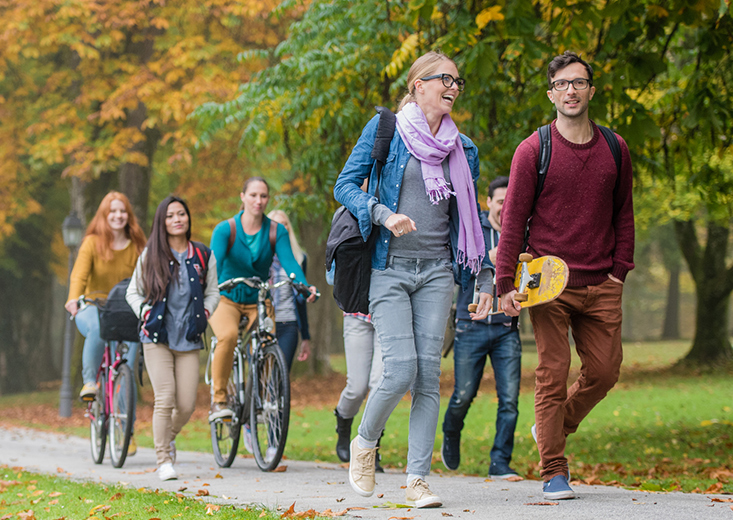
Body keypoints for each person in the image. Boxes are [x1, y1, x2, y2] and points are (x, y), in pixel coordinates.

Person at [334, 50, 493, 509]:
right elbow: (345, 184)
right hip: (388, 268)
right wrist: (381, 214)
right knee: (400, 368)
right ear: (419, 83)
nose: (454, 87)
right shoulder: (385, 129)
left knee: (427, 378)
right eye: (446, 78)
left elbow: (472, 218)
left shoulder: (464, 150)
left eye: (458, 81)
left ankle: (417, 479)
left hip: (438, 272)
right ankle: (365, 442)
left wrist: (483, 277)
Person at [496, 51, 635, 500]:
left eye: (579, 83)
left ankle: (551, 427)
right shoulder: (533, 150)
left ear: (591, 90)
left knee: (605, 371)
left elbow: (625, 216)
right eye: (562, 84)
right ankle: (553, 468)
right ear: (551, 93)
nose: (571, 91)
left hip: (602, 283)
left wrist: (618, 273)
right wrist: (503, 285)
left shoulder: (615, 148)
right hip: (548, 281)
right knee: (552, 373)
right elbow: (513, 222)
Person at [126, 195, 220, 481]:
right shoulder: (151, 255)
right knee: (164, 398)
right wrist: (144, 311)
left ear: (188, 218)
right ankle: (163, 459)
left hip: (189, 338)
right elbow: (133, 291)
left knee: (187, 405)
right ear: (162, 222)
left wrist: (205, 311)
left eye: (181, 214)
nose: (177, 219)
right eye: (170, 215)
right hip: (157, 337)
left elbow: (213, 292)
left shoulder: (203, 254)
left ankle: (167, 438)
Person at [208, 177, 317, 421]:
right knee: (228, 336)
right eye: (254, 195)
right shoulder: (226, 229)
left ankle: (262, 396)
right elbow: (213, 265)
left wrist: (304, 286)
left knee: (269, 340)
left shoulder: (276, 231)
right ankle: (219, 400)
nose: (259, 201)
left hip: (258, 298)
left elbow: (290, 263)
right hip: (226, 298)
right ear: (242, 197)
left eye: (264, 196)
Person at [441, 176, 523, 480]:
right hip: (470, 324)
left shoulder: (520, 234)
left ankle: (500, 462)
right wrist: (485, 260)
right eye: (500, 202)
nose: (505, 208)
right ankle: (451, 429)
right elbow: (453, 266)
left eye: (509, 202)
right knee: (463, 394)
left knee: (510, 400)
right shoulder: (472, 229)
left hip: (506, 328)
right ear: (489, 202)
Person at [65, 191, 146, 453]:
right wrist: (73, 299)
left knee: (127, 371)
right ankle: (90, 382)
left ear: (128, 216)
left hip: (126, 310)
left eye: (122, 211)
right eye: (112, 211)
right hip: (92, 306)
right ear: (104, 215)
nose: (118, 215)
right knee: (98, 329)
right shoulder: (91, 242)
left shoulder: (136, 245)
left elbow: (145, 279)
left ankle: (127, 429)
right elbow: (79, 275)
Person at [267, 210, 312, 370]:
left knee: (281, 375)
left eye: (285, 224)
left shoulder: (299, 258)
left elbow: (301, 300)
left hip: (288, 323)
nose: (281, 227)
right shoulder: (261, 258)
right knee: (262, 376)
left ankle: (279, 396)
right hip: (264, 323)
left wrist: (305, 337)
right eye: (276, 224)